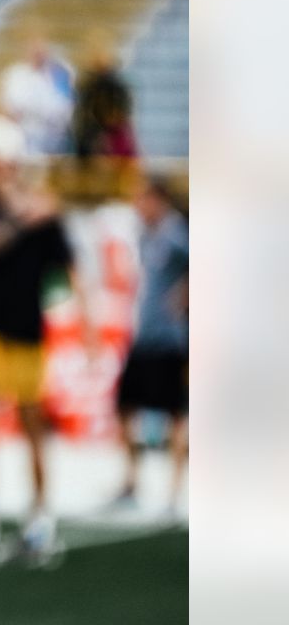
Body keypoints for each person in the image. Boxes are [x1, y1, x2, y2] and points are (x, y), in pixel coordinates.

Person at [0, 114, 88, 560]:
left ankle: (39, 514)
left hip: (27, 332)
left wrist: (87, 327)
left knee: (33, 424)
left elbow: (69, 270)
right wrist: (19, 217)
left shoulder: (44, 217)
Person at [113, 175, 188, 515]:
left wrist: (185, 296)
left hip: (171, 338)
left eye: (143, 198)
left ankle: (174, 491)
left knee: (177, 413)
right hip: (145, 335)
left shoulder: (176, 233)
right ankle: (132, 481)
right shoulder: (148, 235)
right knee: (126, 405)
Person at [0, 20, 74, 156]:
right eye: (34, 48)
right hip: (22, 133)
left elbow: (67, 104)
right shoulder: (15, 74)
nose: (38, 52)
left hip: (54, 134)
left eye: (42, 48)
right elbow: (2, 104)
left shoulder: (59, 74)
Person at [73, 28, 138, 160]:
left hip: (114, 141)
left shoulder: (117, 85)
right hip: (91, 141)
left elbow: (122, 112)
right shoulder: (86, 85)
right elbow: (83, 117)